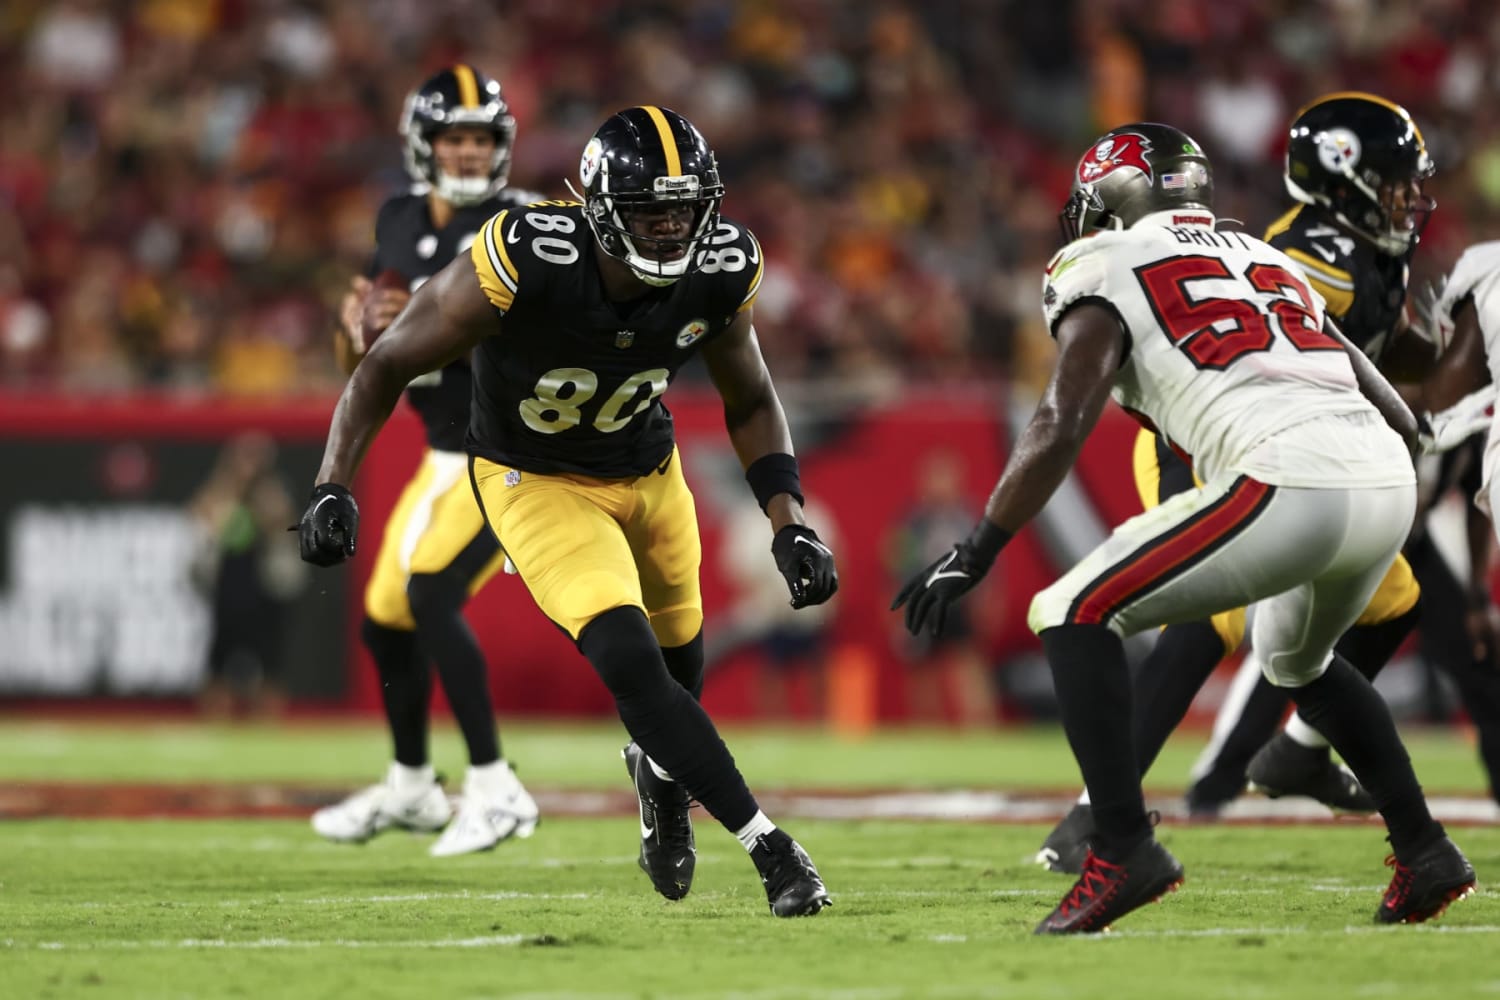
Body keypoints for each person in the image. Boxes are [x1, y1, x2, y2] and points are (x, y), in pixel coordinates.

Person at [893, 123, 1475, 934]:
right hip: (1382, 478)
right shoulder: (1256, 252)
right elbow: (1366, 375)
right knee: (1294, 657)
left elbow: (1063, 419)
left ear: (1113, 198)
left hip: (1290, 470)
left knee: (1071, 609)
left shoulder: (1099, 262)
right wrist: (1412, 439)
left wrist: (978, 547)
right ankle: (1425, 851)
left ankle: (1121, 846)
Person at [297, 106, 837, 917]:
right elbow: (384, 363)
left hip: (649, 472)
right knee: (627, 658)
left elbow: (752, 396)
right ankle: (770, 847)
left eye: (684, 211)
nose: (670, 229)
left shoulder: (720, 265)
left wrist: (787, 519)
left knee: (678, 672)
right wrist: (332, 481)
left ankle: (658, 780)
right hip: (534, 478)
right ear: (597, 211)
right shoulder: (526, 256)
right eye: (650, 211)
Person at [1035, 93, 1445, 874]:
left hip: (1315, 456)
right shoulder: (1309, 253)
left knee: (1394, 600)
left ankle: (1296, 752)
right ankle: (1094, 817)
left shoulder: (1365, 254)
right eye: (1394, 181)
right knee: (1208, 617)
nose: (1409, 198)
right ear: (1345, 182)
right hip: (1204, 439)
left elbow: (1399, 348)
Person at [310, 65, 541, 858]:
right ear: (424, 142)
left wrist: (416, 314)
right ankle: (411, 786)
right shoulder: (401, 218)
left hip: (509, 453)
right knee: (385, 621)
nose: (471, 153)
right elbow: (363, 360)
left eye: (483, 138)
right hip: (442, 455)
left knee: (433, 592)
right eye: (456, 137)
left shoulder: (527, 224)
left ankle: (493, 783)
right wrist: (357, 327)